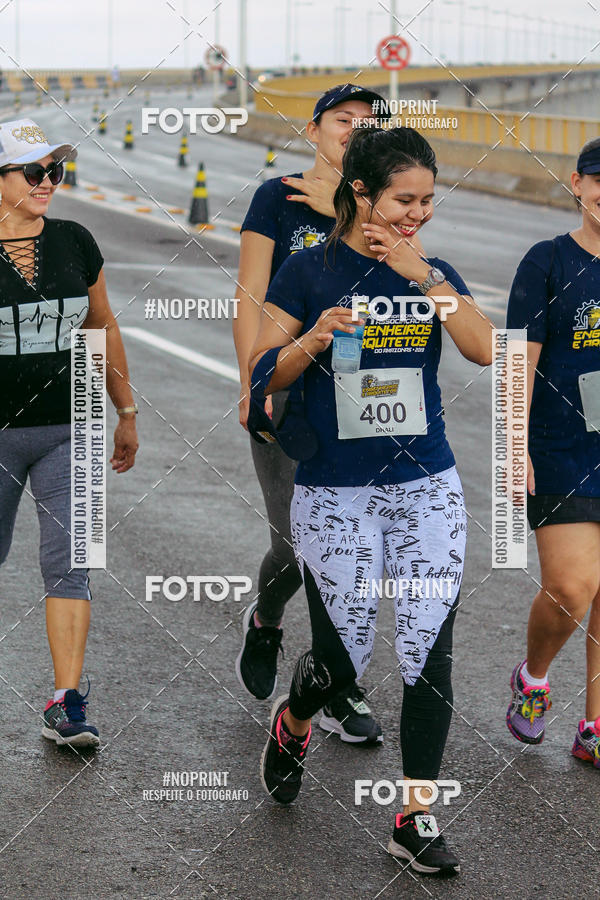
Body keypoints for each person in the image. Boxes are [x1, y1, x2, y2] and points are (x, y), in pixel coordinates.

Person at [250, 125, 493, 876]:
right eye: (403, 200)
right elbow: (263, 373)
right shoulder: (308, 272)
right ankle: (295, 721)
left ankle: (414, 817)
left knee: (427, 649)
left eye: (427, 200)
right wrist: (313, 339)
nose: (419, 213)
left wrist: (425, 276)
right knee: (342, 656)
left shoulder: (432, 272)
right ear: (360, 193)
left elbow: (487, 349)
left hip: (426, 485)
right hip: (336, 492)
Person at [233, 84, 414, 745]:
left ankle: (335, 684)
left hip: (365, 398)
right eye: (344, 119)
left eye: (370, 122)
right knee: (295, 547)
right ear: (313, 130)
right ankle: (266, 621)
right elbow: (250, 295)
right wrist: (254, 383)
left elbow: (410, 287)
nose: (356, 129)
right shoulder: (276, 199)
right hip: (292, 391)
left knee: (349, 547)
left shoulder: (388, 204)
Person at [0, 118, 139, 748]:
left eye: (54, 170)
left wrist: (125, 410)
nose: (48, 181)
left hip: (71, 426)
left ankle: (66, 702)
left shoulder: (75, 240)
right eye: (34, 171)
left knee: (71, 564)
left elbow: (101, 325)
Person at [506, 137, 600, 765]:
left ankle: (595, 727)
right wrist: (515, 447)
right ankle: (533, 676)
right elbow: (518, 362)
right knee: (572, 587)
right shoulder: (547, 261)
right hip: (563, 446)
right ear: (578, 183)